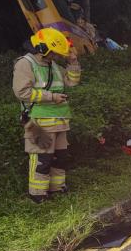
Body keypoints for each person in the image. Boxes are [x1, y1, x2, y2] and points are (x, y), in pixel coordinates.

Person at [12, 28, 82, 202]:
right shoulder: (25, 64)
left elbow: (72, 82)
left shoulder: (52, 65)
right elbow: (22, 92)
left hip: (59, 120)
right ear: (42, 48)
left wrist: (73, 62)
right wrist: (52, 97)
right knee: (42, 159)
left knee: (60, 157)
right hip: (38, 120)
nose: (55, 57)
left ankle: (57, 188)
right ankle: (37, 194)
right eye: (53, 53)